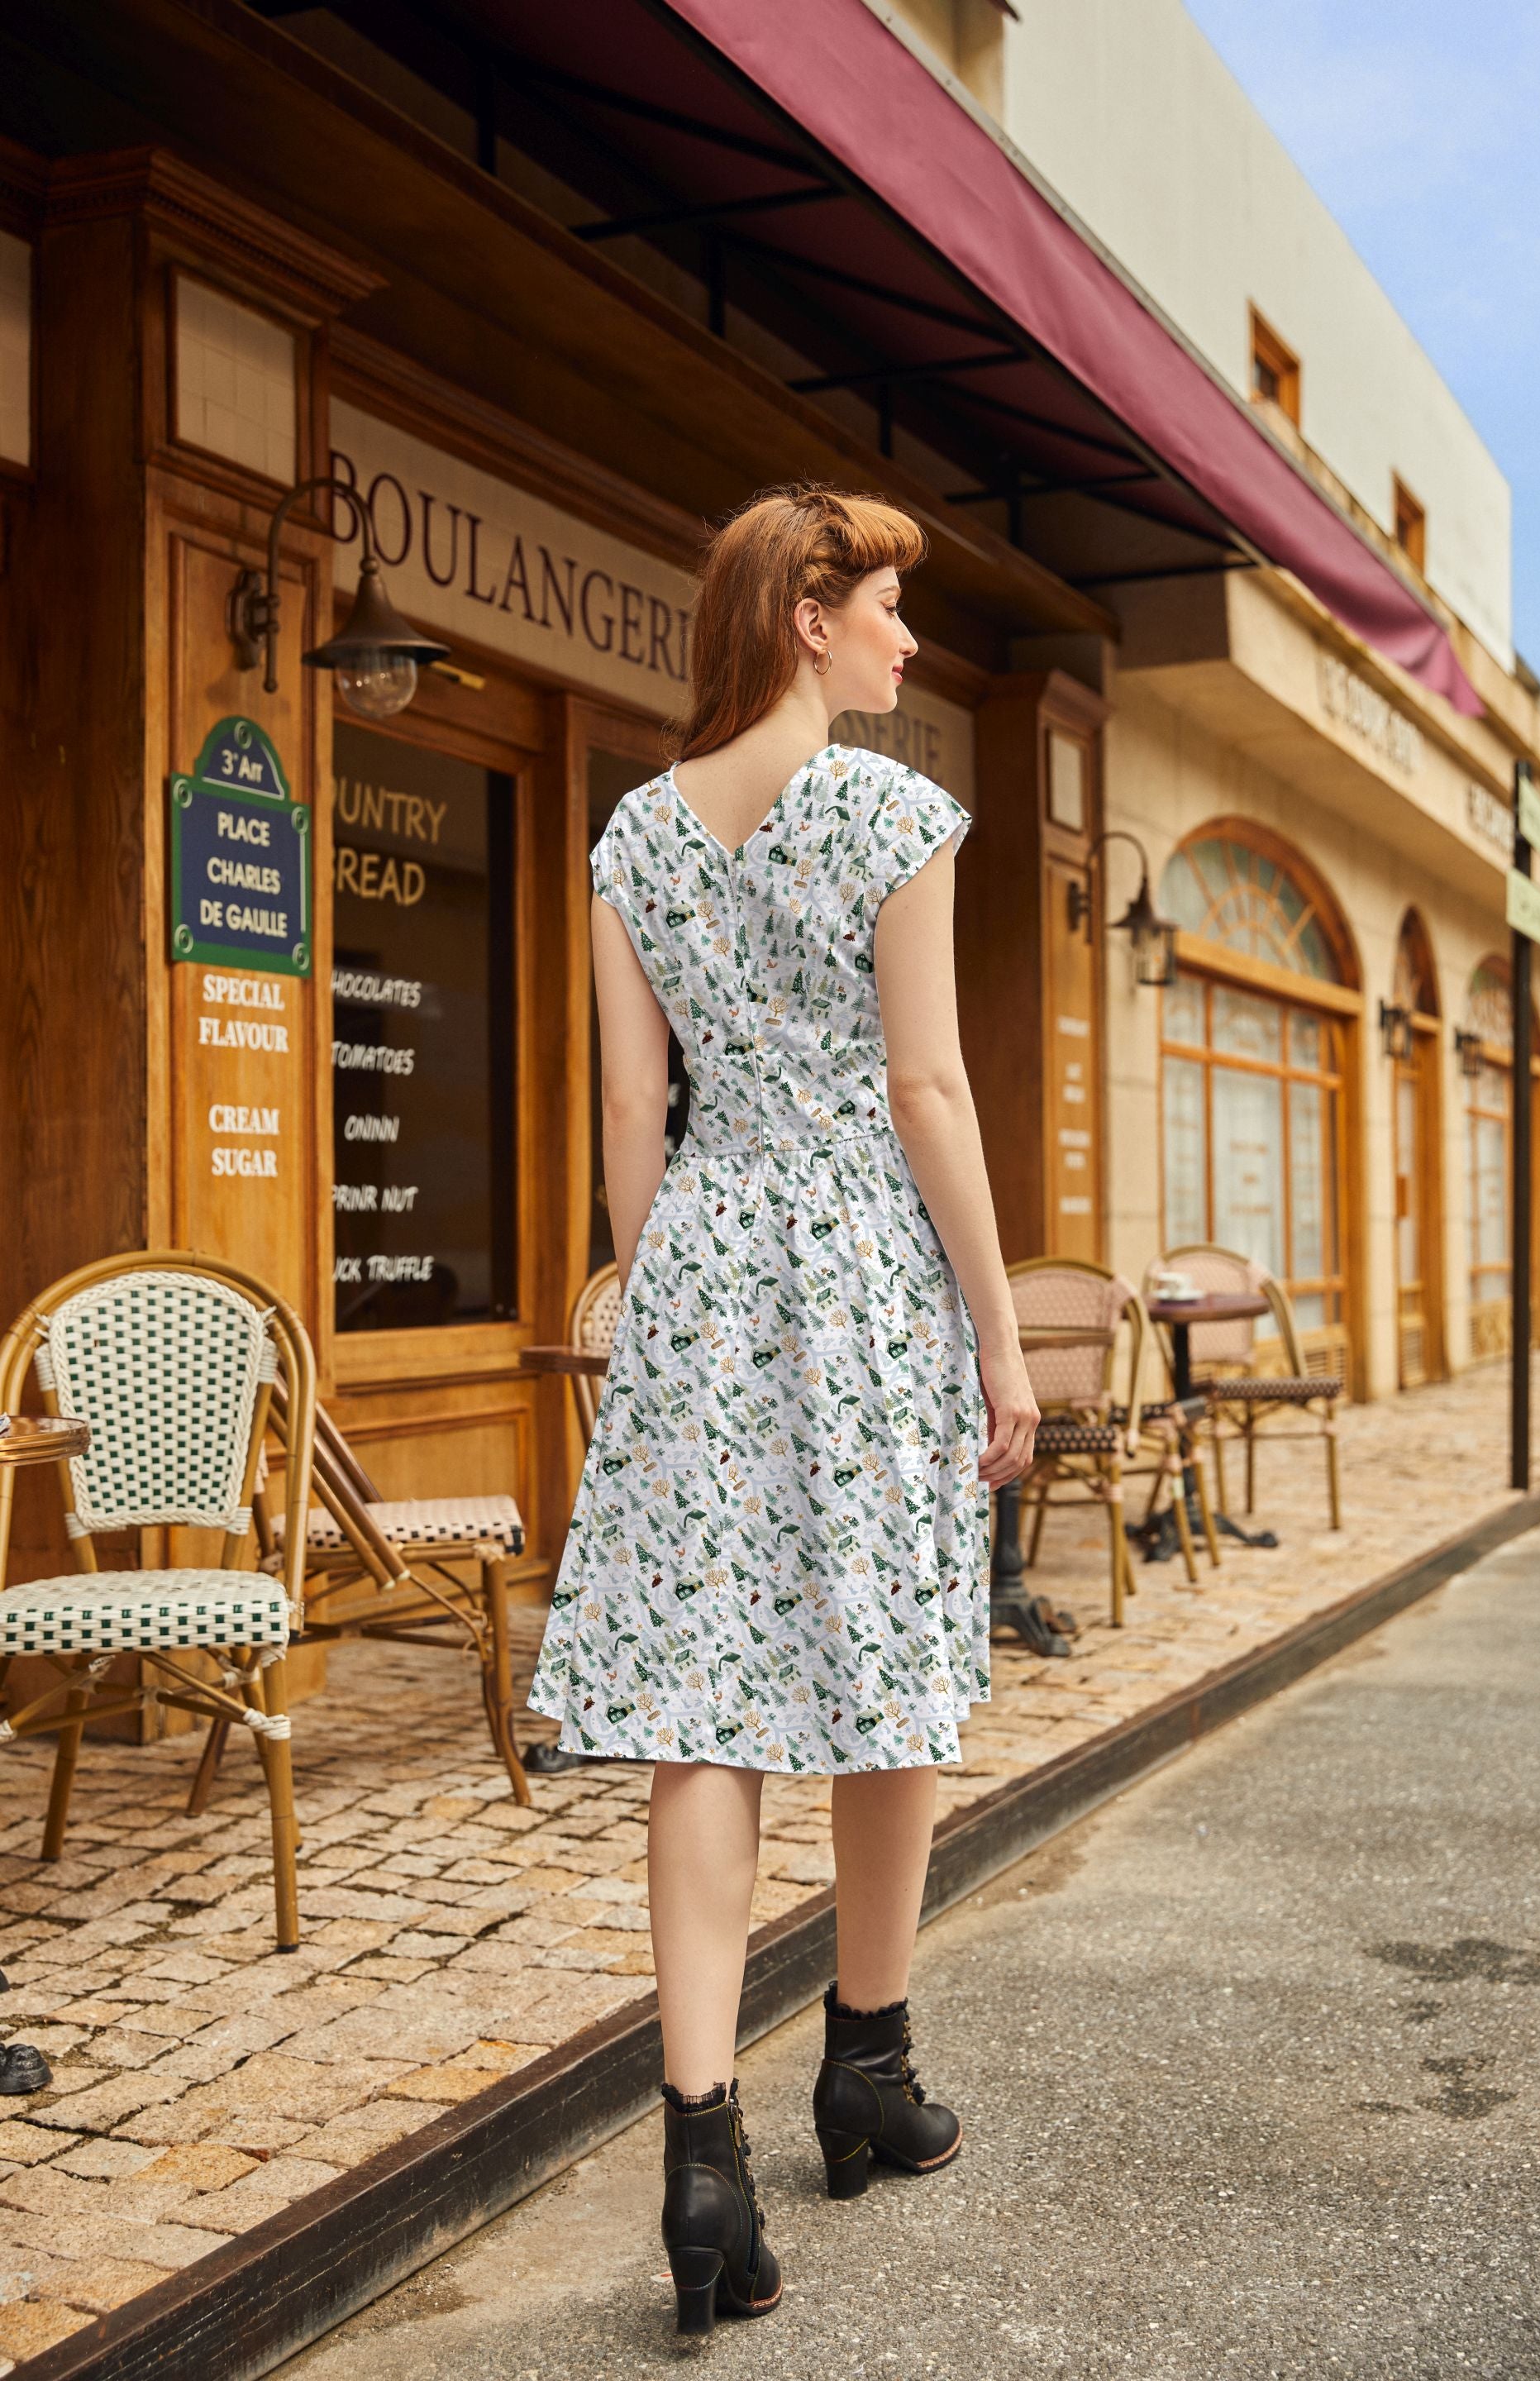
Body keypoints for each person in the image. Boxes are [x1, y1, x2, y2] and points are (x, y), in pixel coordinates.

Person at [527, 484, 1039, 2336]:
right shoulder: (894, 813)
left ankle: (699, 2156)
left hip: (698, 1279)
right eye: (893, 608)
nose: (912, 641)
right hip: (865, 1277)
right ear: (810, 616)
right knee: (887, 1657)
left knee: (701, 1701)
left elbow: (625, 1129)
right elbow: (928, 1085)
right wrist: (995, 1336)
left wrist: (676, 1317)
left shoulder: (631, 842)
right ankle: (867, 2067)